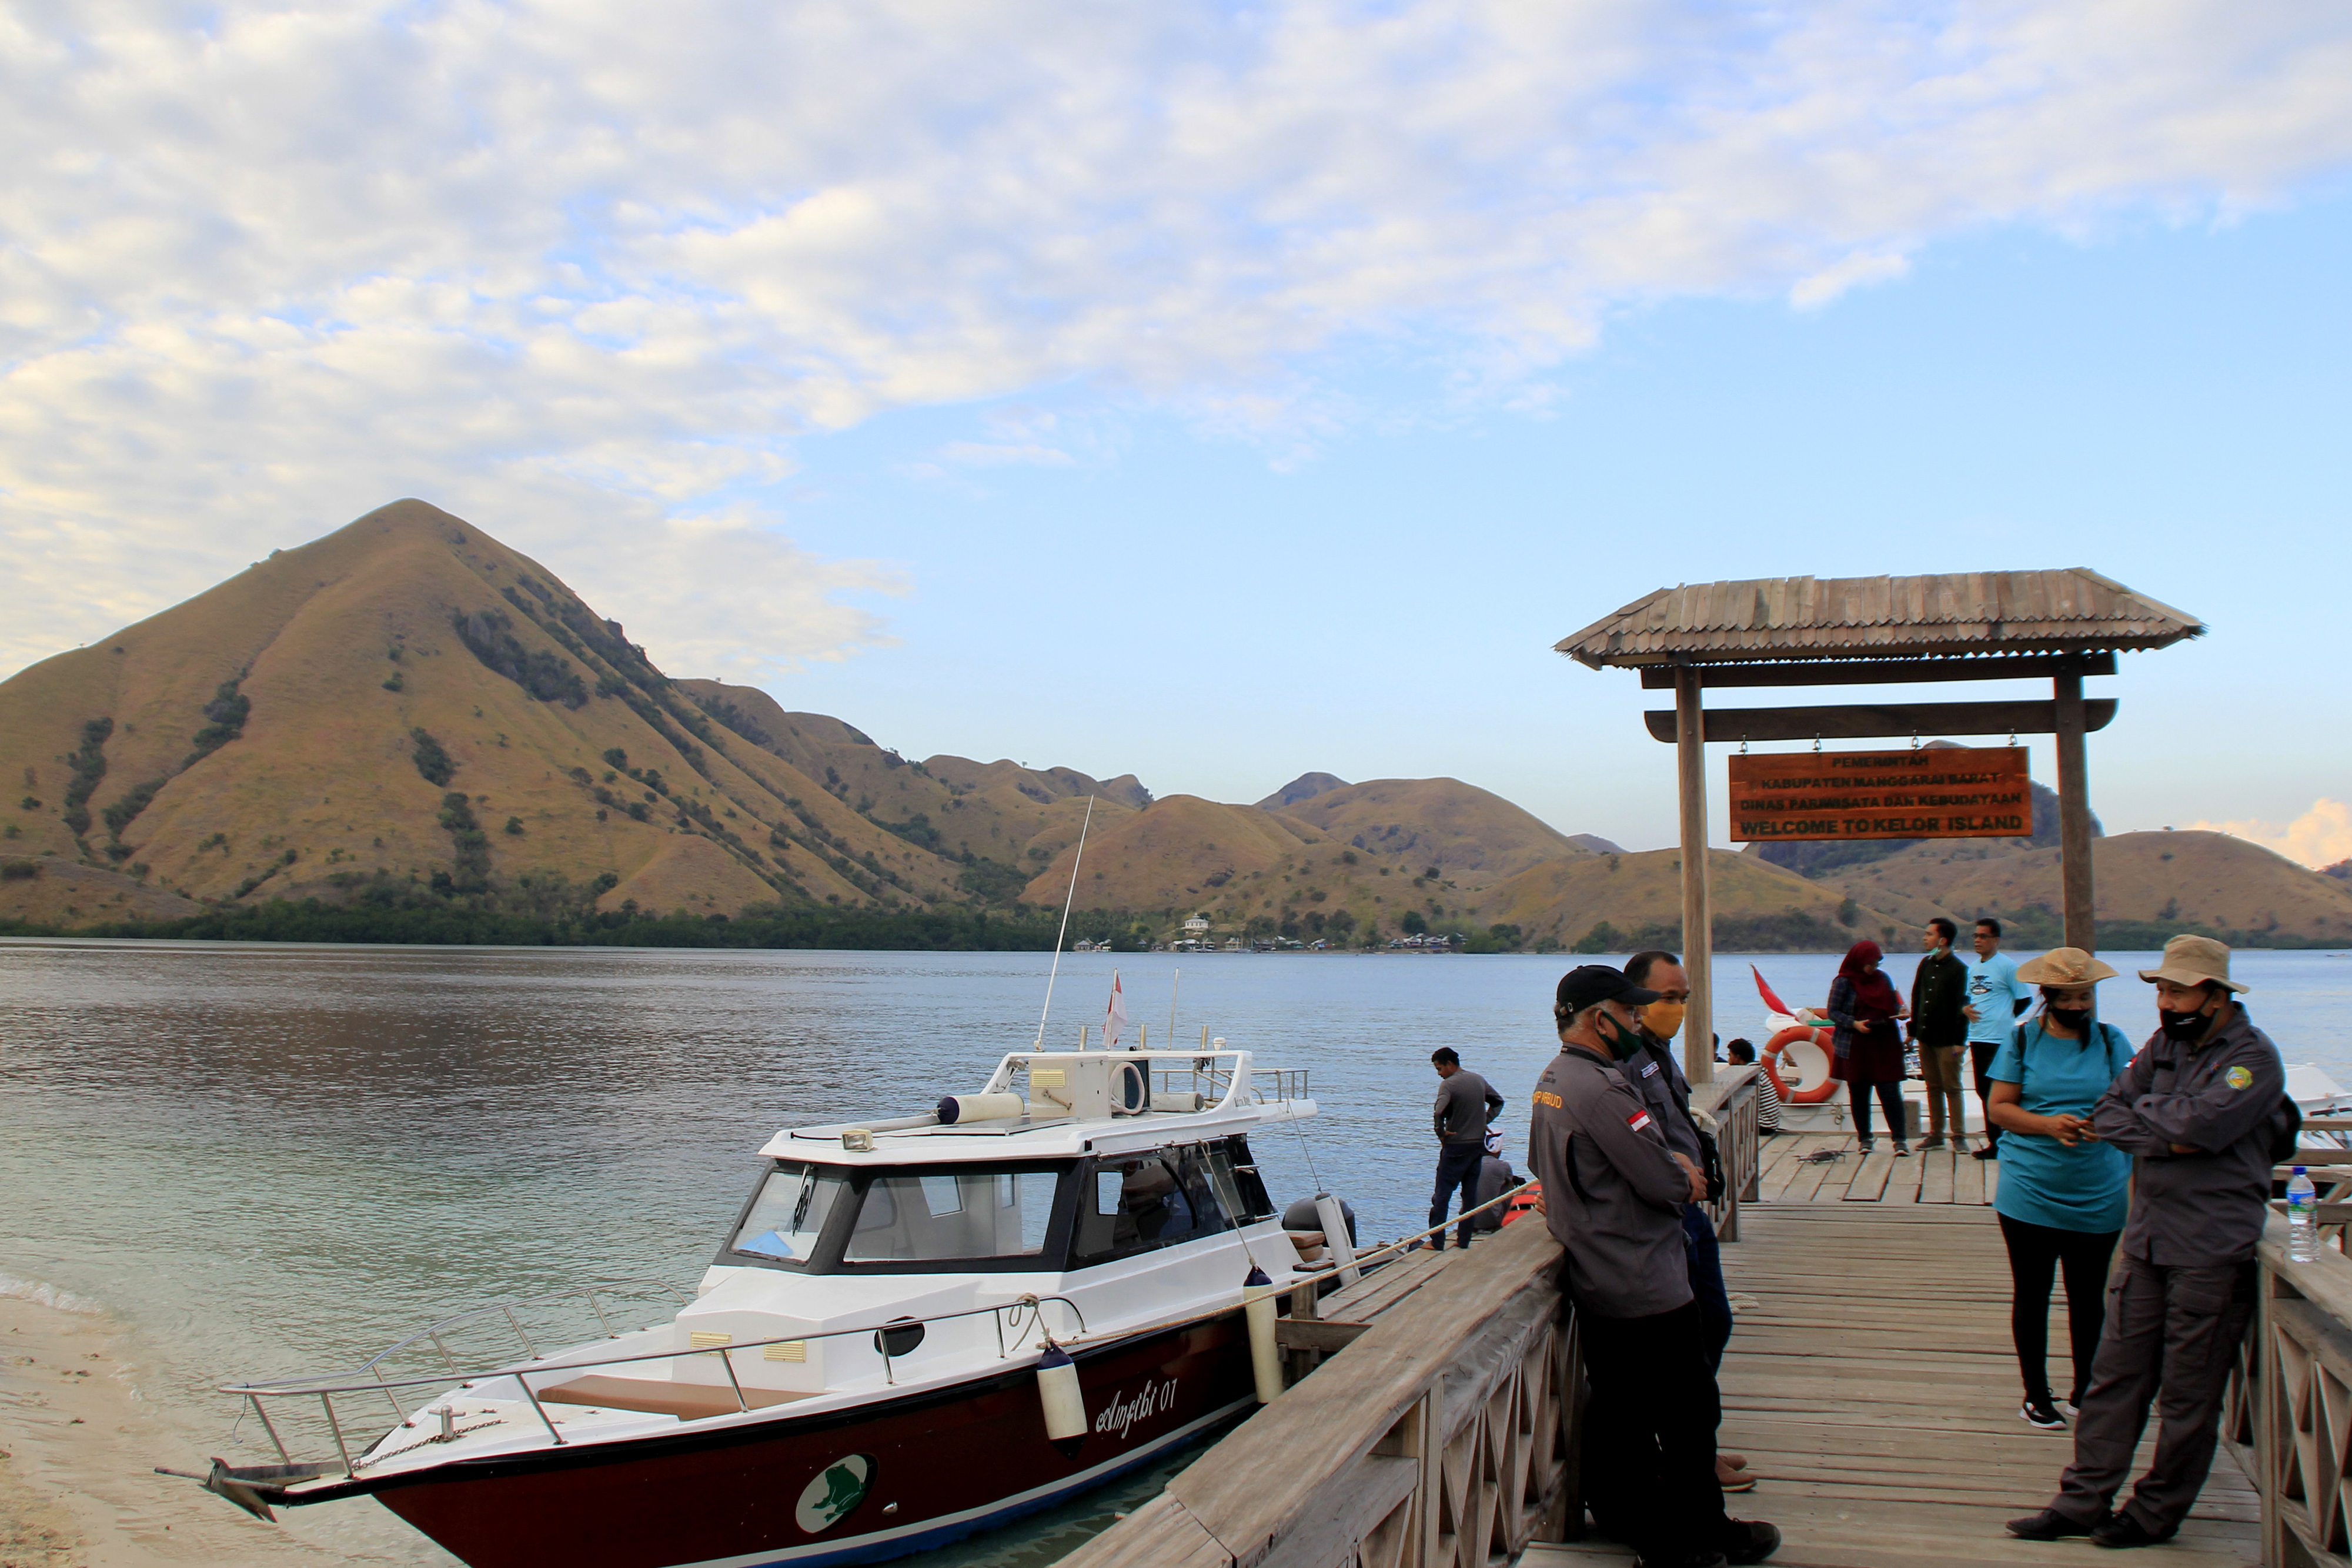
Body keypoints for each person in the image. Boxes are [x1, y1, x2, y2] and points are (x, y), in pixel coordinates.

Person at [2009, 937, 2292, 1550]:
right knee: (2114, 1376)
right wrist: (2170, 1125)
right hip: (2146, 1241)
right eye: (2161, 989)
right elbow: (2110, 1110)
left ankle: (2154, 1513)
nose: (2164, 1001)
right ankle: (2081, 1499)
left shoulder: (2252, 1059)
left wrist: (2156, 1120)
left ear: (2215, 996)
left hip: (2209, 1247)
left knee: (2188, 1393)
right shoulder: (2163, 1045)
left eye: (2177, 989)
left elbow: (2202, 1127)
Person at [1529, 965, 1780, 1568]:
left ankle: (1657, 1528)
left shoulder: (1551, 1082)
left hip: (1599, 1274)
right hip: (1643, 1278)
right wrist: (1685, 1177)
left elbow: (1544, 1167)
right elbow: (1660, 1178)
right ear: (1598, 1019)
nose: (1639, 1020)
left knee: (1626, 1413)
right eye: (1630, 1010)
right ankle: (1691, 1534)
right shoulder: (1604, 1090)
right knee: (1687, 1414)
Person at [1984, 948, 2134, 1430]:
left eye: (2085, 995)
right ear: (2047, 996)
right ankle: (2036, 1393)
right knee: (2034, 1292)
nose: (2079, 1005)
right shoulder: (2023, 1040)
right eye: (2068, 996)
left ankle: (2087, 1390)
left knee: (2089, 1296)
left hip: (2099, 1188)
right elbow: (1999, 1108)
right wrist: (2049, 1126)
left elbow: (2132, 1104)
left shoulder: (2113, 1043)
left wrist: (2104, 1124)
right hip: (2031, 1187)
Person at [1622, 950, 1736, 1375]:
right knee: (1686, 1336)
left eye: (1683, 998)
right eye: (1668, 997)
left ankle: (1694, 1422)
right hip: (1661, 1217)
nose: (1678, 1009)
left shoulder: (1661, 1051)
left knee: (1715, 1323)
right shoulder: (1624, 1060)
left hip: (1690, 1213)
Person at [1827, 940, 1909, 1155]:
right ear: (1859, 961)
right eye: (1870, 964)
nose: (1873, 969)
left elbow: (1893, 1004)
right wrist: (1854, 1024)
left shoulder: (1883, 979)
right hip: (1857, 1045)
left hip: (1884, 1043)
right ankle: (1865, 1138)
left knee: (1891, 1093)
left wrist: (1901, 1010)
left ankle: (1900, 1140)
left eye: (1876, 964)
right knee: (1860, 1093)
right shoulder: (1844, 982)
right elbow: (1833, 1012)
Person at [1965, 918, 2033, 1161]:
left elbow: (2025, 999)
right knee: (1983, 1091)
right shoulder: (1973, 968)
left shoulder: (2008, 966)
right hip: (1977, 1036)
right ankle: (1994, 1142)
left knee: (2001, 1091)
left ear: (1996, 940)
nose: (1978, 941)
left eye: (1983, 936)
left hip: (1999, 1039)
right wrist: (1965, 1010)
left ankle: (2008, 1141)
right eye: (1975, 936)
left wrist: (2005, 1017)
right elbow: (1967, 997)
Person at [1428, 1047, 1504, 1251]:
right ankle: (1464, 1241)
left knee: (1442, 1194)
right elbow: (1498, 1102)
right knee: (1469, 1195)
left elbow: (1438, 1112)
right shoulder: (1478, 1080)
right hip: (1476, 1146)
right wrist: (1484, 1121)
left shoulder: (1448, 1085)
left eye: (1440, 1068)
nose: (1439, 1074)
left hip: (1456, 1147)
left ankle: (1437, 1241)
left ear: (1450, 1065)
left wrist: (1441, 1133)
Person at [1910, 917, 1971, 1151]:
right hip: (1926, 1036)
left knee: (1952, 1087)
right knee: (1932, 1086)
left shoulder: (1959, 970)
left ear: (1943, 940)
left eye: (1929, 935)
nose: (1925, 938)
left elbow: (1963, 1006)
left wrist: (1959, 1041)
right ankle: (1936, 1134)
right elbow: (1918, 997)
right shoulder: (1925, 964)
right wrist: (1913, 1031)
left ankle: (1959, 1136)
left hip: (1948, 1040)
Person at [1726, 1040, 1780, 1134]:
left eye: (1730, 1056)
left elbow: (1740, 1100)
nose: (1729, 1060)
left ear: (1737, 1057)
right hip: (1771, 1124)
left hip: (1764, 1125)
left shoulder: (1751, 1076)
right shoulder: (1757, 1071)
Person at [1472, 1128, 1516, 1233]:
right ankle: (1495, 1220)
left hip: (1468, 1219)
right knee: (1508, 1187)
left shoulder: (1472, 1164)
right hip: (1492, 1221)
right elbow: (1511, 1183)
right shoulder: (1504, 1166)